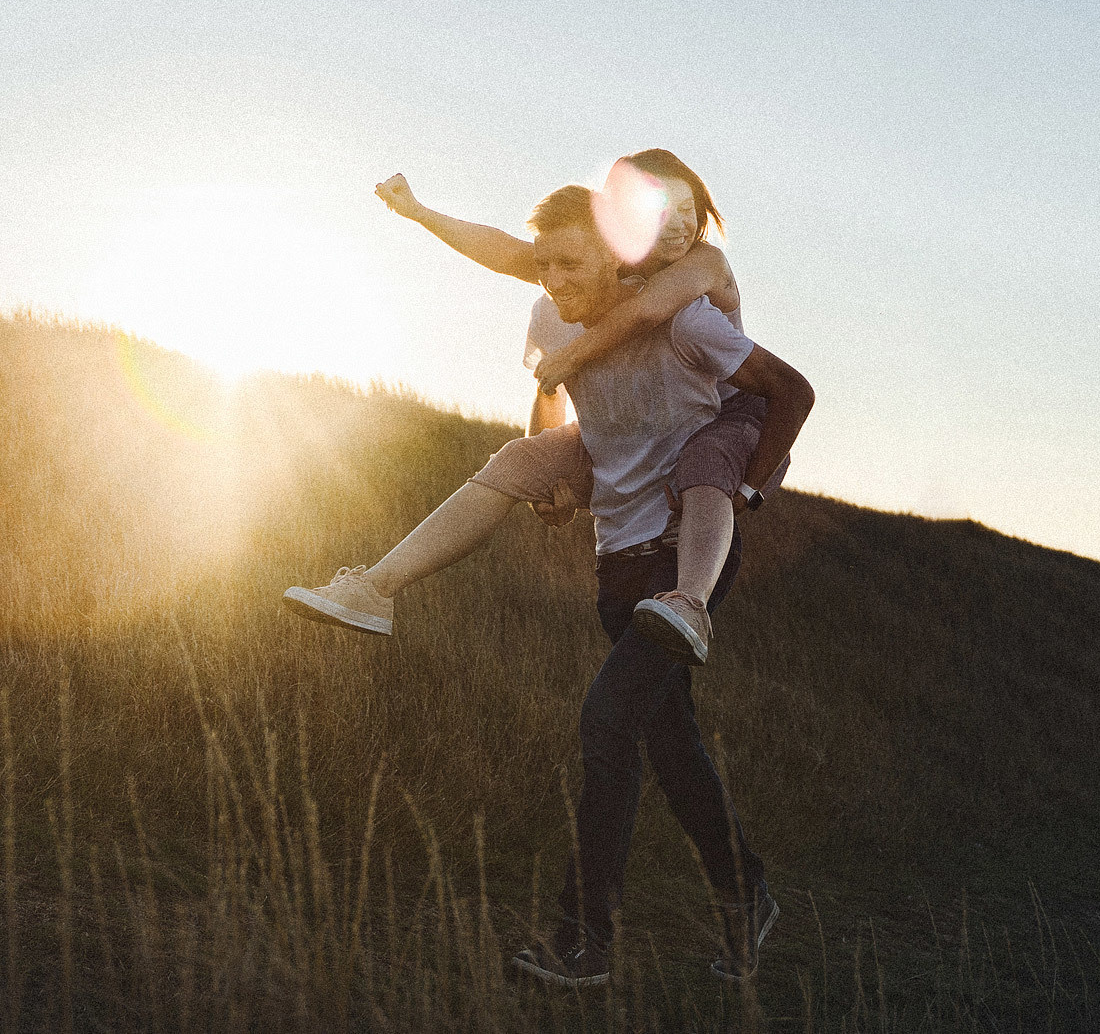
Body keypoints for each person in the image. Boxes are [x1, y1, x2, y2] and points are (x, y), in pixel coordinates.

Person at [284, 184, 813, 985]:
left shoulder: (685, 319)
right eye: (545, 265)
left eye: (571, 265)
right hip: (618, 559)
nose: (554, 280)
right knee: (669, 747)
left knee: (607, 723)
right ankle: (374, 586)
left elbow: (790, 391)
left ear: (616, 258)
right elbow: (555, 409)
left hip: (683, 557)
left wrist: (749, 487)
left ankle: (584, 943)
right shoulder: (546, 317)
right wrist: (556, 488)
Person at [377, 150, 782, 666]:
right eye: (658, 210)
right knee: (522, 459)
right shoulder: (607, 260)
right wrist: (419, 211)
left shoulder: (702, 262)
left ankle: (691, 601)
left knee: (703, 458)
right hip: (656, 438)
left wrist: (571, 356)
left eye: (687, 207)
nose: (678, 224)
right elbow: (506, 252)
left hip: (731, 419)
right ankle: (375, 586)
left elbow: (646, 311)